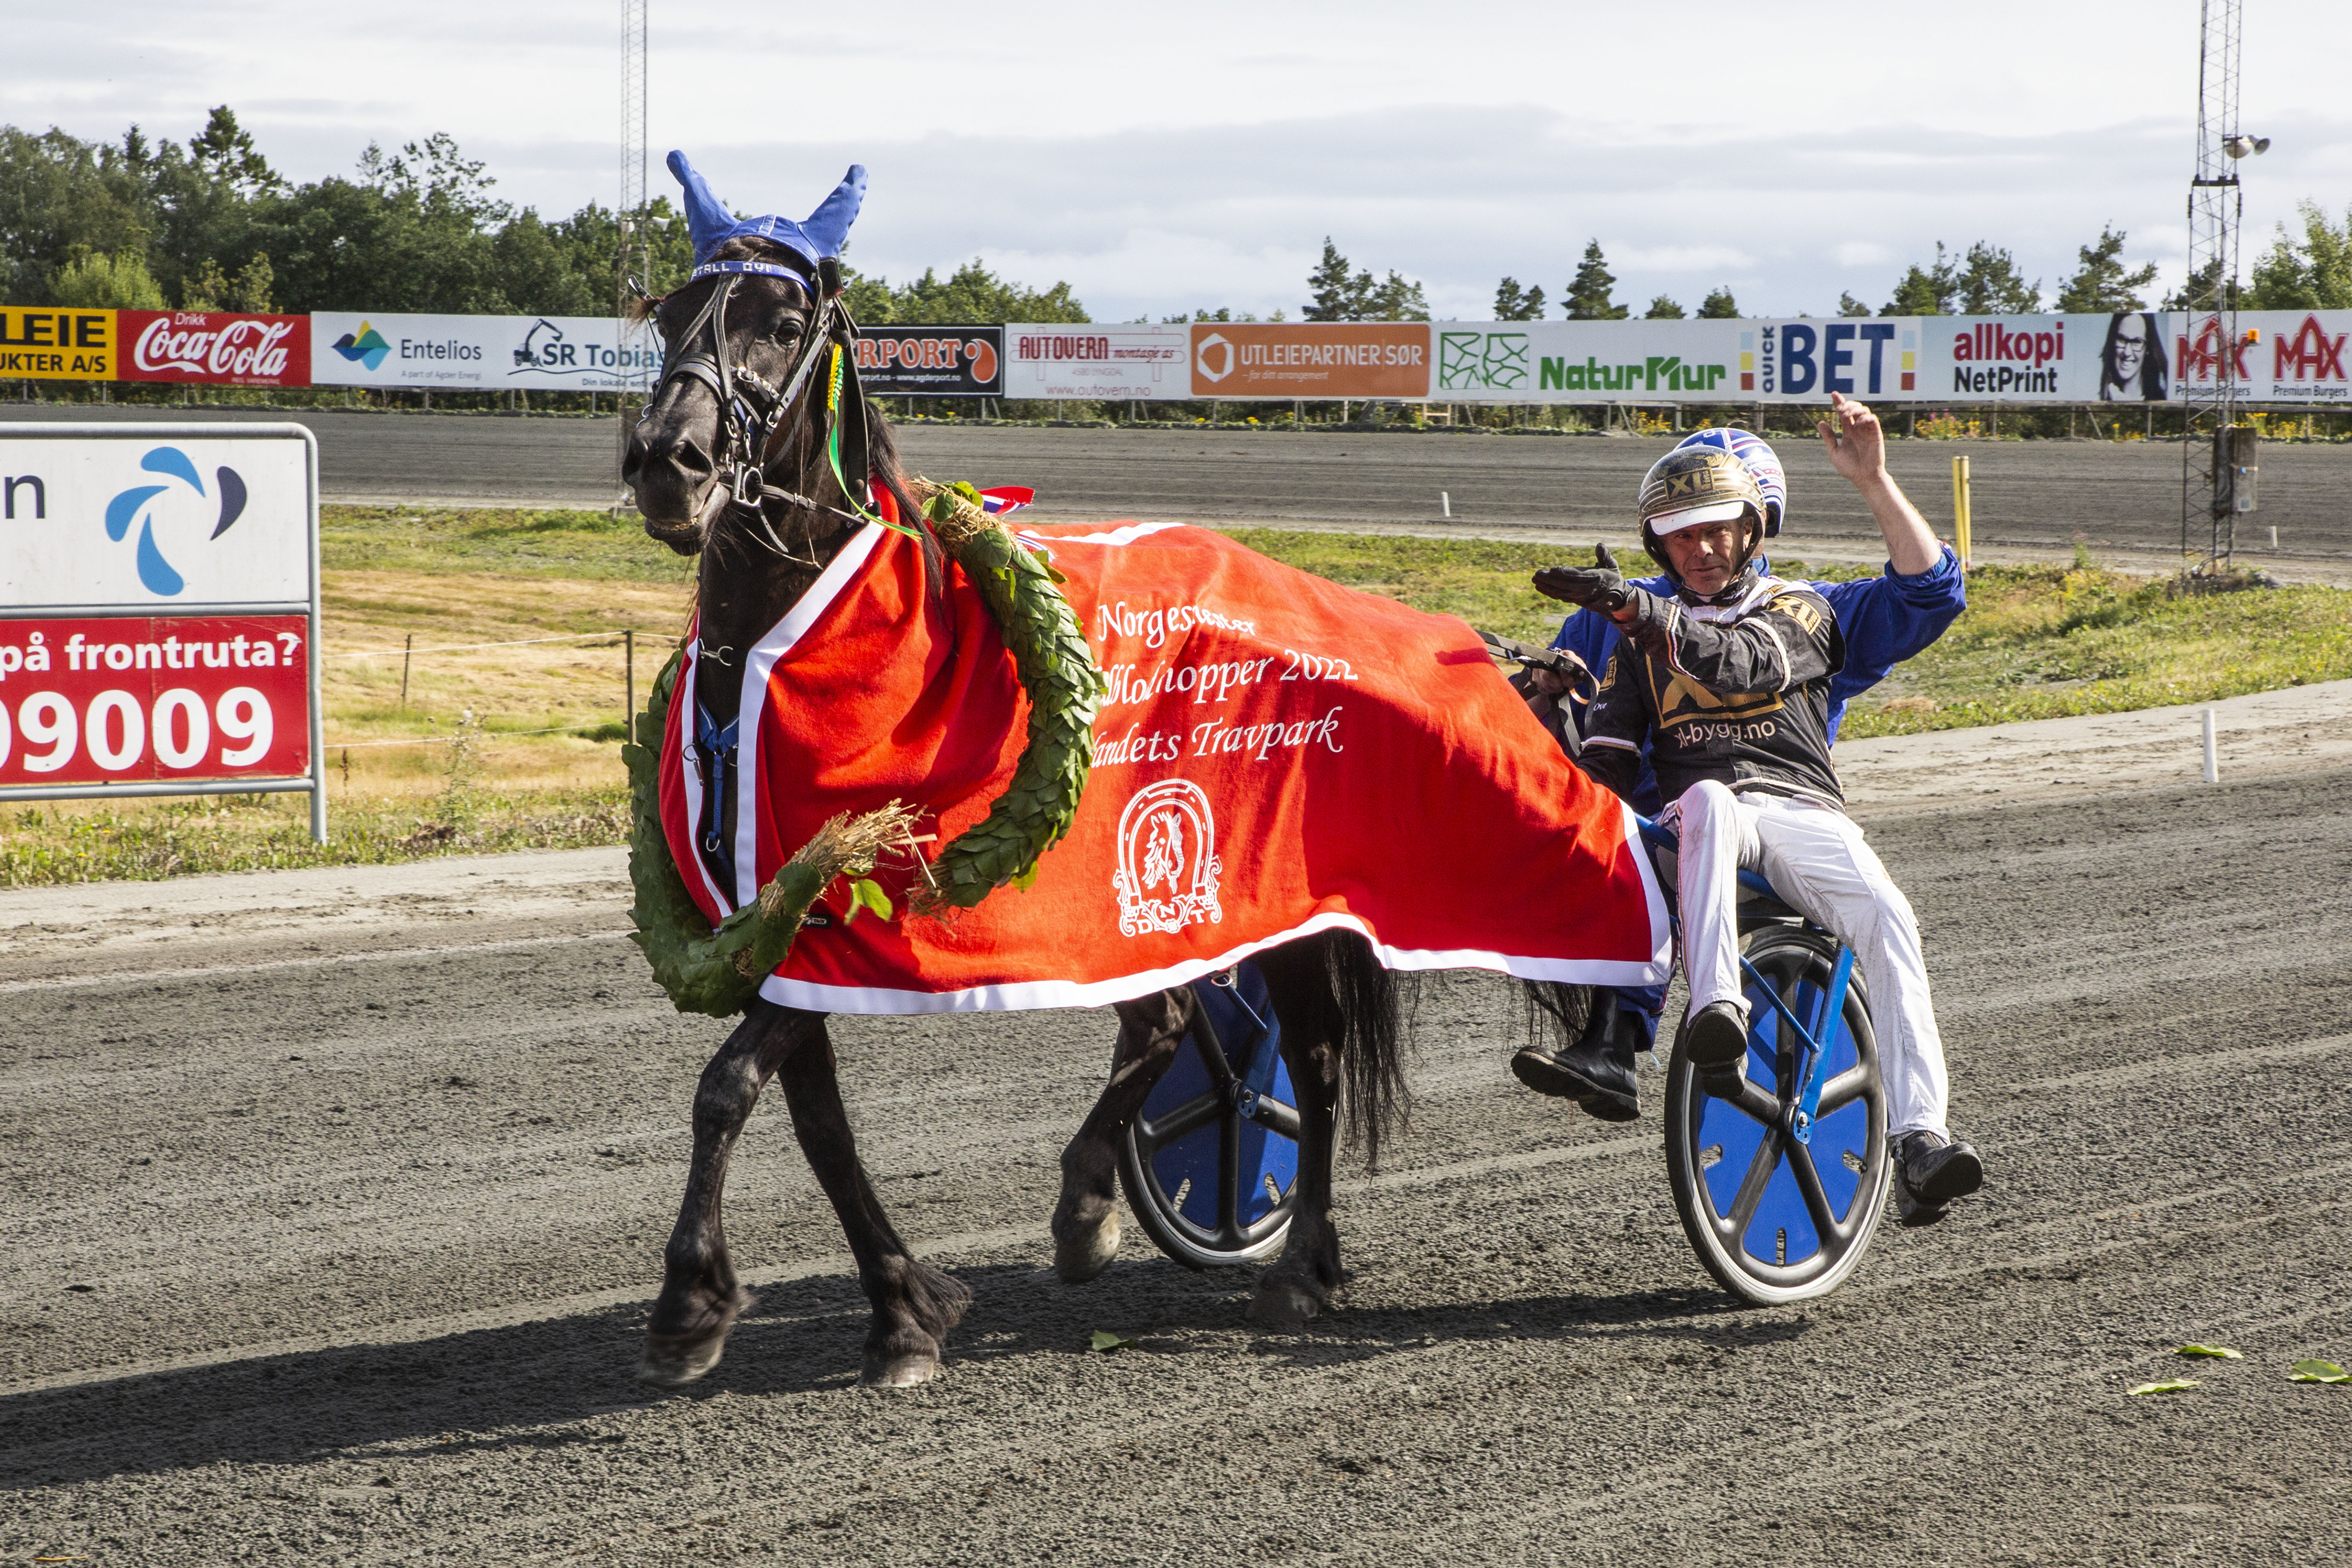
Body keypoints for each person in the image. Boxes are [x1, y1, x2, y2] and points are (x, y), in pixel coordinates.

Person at [1522, 412, 1982, 1224]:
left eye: (1716, 528)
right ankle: (1641, 1035)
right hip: (1681, 818)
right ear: (1659, 539)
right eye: (1681, 533)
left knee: (1888, 915)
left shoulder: (1805, 608)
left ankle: (1921, 1139)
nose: (1699, 548)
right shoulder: (1607, 621)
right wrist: (1539, 690)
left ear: (1755, 524)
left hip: (1794, 810)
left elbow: (1931, 593)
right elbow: (1580, 739)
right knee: (1681, 815)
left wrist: (1874, 481)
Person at [2098, 311, 2168, 402]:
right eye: (2122, 340)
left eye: (2137, 342)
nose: (2127, 353)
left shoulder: (2161, 400)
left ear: (2148, 348)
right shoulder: (2098, 398)